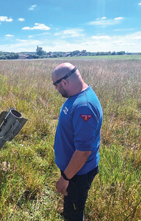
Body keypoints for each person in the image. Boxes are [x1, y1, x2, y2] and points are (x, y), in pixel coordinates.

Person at [52, 63, 103, 221]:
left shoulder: (84, 106)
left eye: (56, 85)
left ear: (65, 83)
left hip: (77, 174)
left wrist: (65, 178)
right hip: (72, 170)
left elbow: (83, 152)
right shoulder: (77, 97)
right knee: (71, 204)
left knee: (74, 212)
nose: (56, 89)